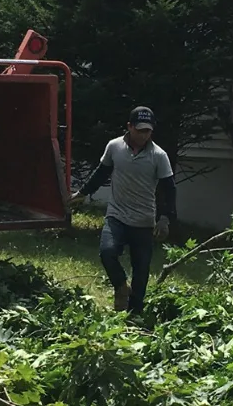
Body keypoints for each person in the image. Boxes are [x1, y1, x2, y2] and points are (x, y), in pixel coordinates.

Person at [69, 106, 177, 313]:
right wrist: (81, 193)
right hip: (117, 215)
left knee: (141, 270)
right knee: (107, 252)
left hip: (144, 221)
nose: (144, 135)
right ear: (129, 127)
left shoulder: (159, 155)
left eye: (148, 131)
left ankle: (134, 313)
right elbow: (102, 172)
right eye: (140, 130)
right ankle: (120, 286)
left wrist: (164, 218)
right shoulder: (114, 147)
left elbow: (169, 189)